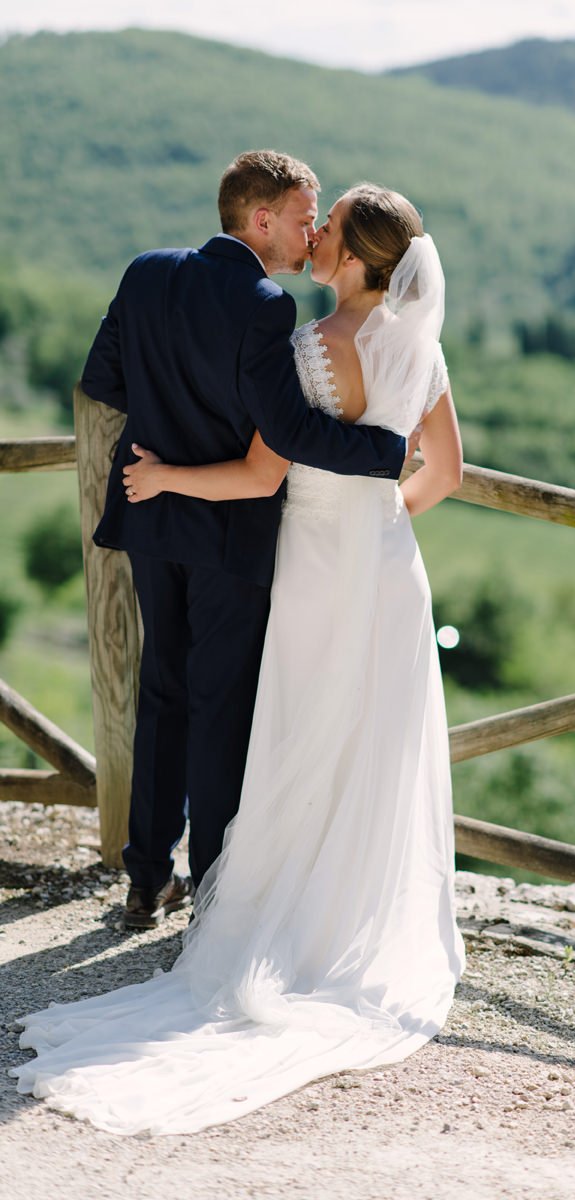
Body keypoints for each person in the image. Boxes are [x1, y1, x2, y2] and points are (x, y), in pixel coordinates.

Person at [11, 183, 465, 1135]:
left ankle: (185, 883)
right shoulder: (413, 347)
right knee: (363, 739)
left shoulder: (290, 332)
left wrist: (167, 461)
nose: (315, 232)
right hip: (383, 564)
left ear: (350, 255)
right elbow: (445, 474)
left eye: (328, 225)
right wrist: (382, 519)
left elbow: (238, 451)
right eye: (309, 216)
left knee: (258, 718)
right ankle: (325, 917)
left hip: (278, 549)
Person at [77, 151, 406, 929]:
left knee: (161, 690)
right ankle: (214, 890)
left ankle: (144, 878)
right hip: (228, 530)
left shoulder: (146, 271)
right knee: (220, 702)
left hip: (152, 512)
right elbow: (288, 431)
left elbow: (103, 377)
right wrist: (388, 454)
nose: (311, 232)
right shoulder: (264, 304)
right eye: (301, 217)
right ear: (261, 220)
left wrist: (167, 425)